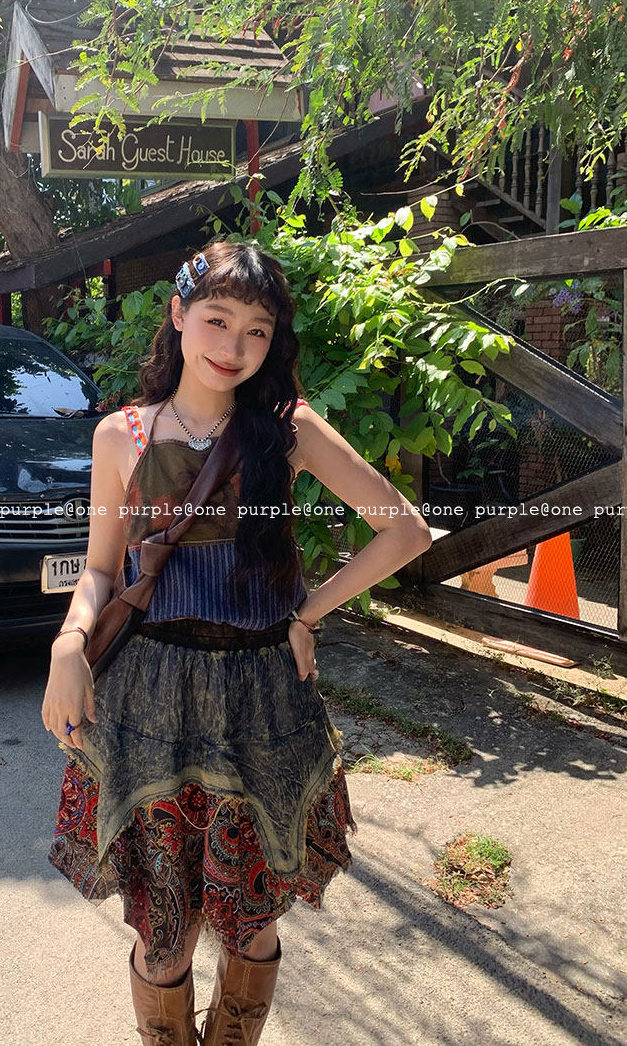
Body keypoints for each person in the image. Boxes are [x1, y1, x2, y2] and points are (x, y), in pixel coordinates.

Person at [41, 241, 432, 1046]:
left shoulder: (288, 431)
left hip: (262, 700)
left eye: (257, 329)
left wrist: (307, 613)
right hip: (149, 704)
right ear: (178, 316)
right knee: (165, 931)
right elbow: (102, 570)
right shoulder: (121, 436)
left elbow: (406, 530)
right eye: (217, 319)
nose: (234, 345)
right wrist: (67, 644)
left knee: (250, 923)